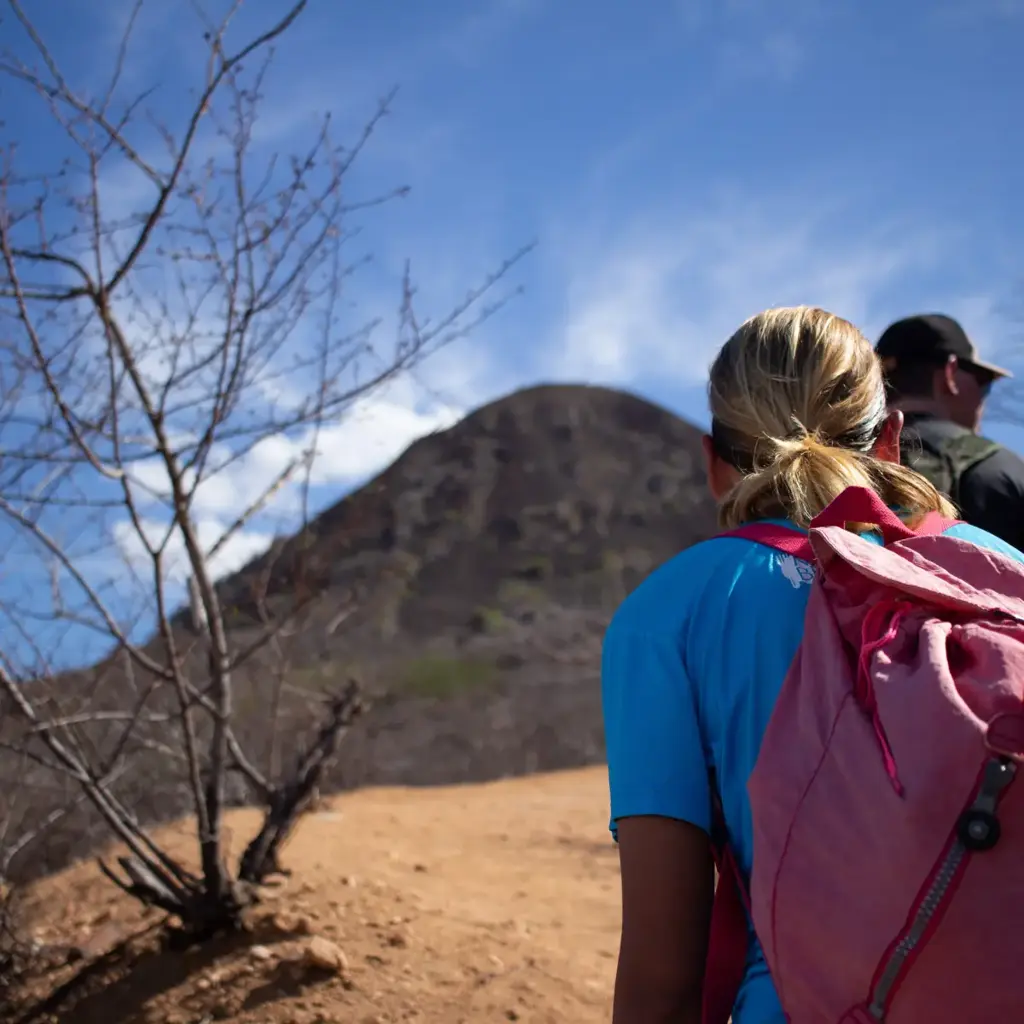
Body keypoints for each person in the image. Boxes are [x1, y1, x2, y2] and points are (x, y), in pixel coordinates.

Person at [601, 306, 1024, 1024]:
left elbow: (664, 972)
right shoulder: (1001, 568)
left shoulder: (670, 612)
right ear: (891, 441)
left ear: (713, 462)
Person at [875, 313, 1024, 549]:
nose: (983, 399)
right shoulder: (1001, 466)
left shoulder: (832, 461)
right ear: (950, 373)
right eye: (983, 382)